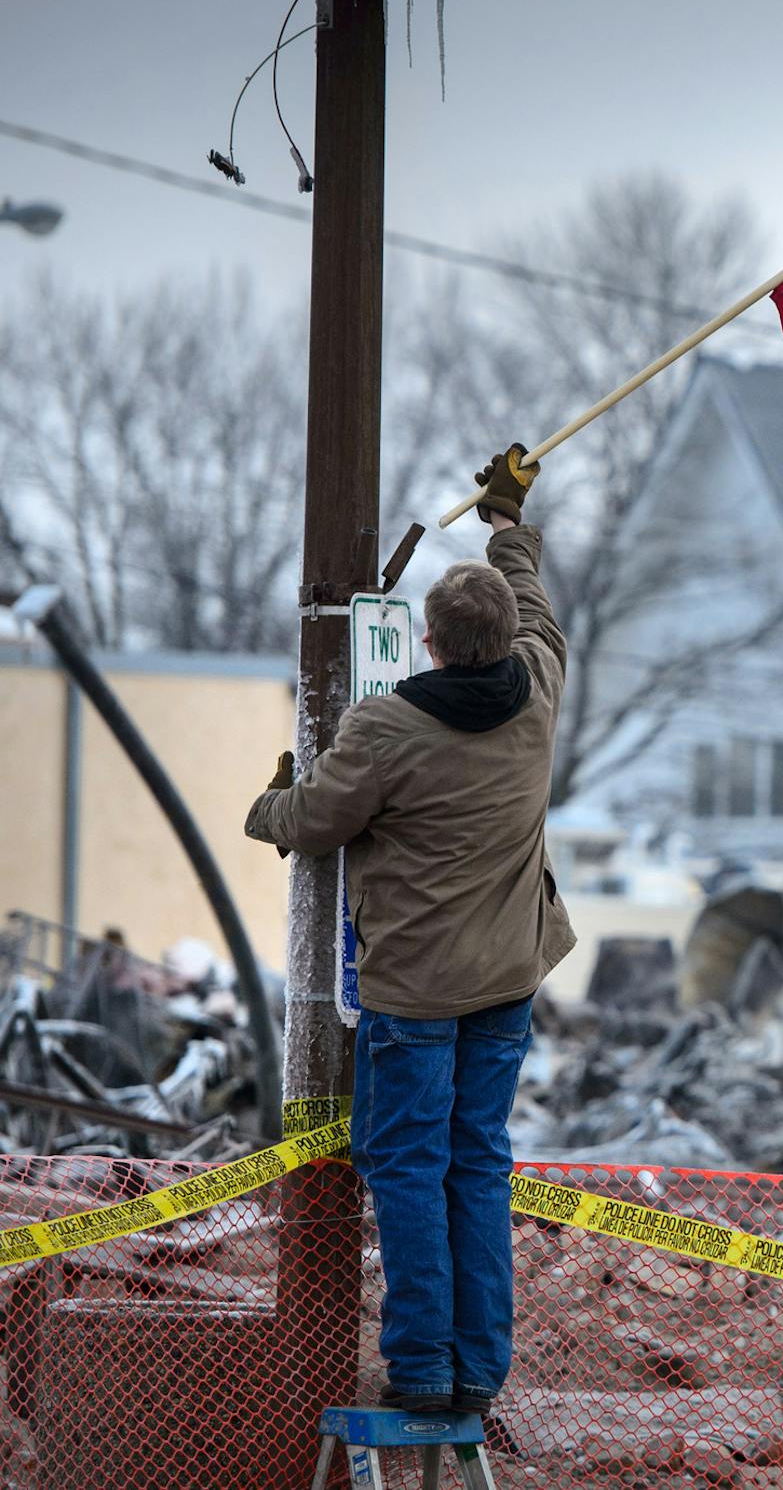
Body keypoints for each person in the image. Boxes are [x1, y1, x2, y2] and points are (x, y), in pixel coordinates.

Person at [245, 446, 574, 1415]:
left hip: (417, 995)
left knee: (407, 1167)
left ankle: (422, 1366)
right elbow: (534, 605)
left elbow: (316, 825)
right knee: (477, 1164)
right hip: (509, 979)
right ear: (506, 641)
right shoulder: (538, 691)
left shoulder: (385, 730)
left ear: (425, 641)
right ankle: (478, 1369)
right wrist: (510, 525)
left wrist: (270, 804)